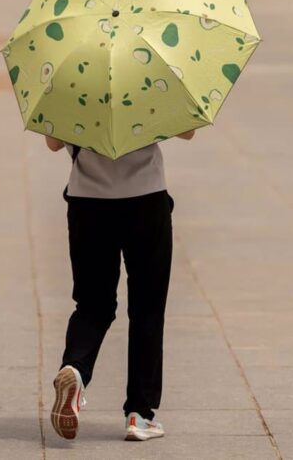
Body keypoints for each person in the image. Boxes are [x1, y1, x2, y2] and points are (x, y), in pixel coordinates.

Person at [46, 129, 195, 442]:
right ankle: (139, 414)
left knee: (92, 304)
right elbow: (188, 131)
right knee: (147, 307)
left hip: (87, 201)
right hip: (146, 197)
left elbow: (53, 142)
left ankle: (75, 368)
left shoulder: (69, 80)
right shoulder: (151, 78)